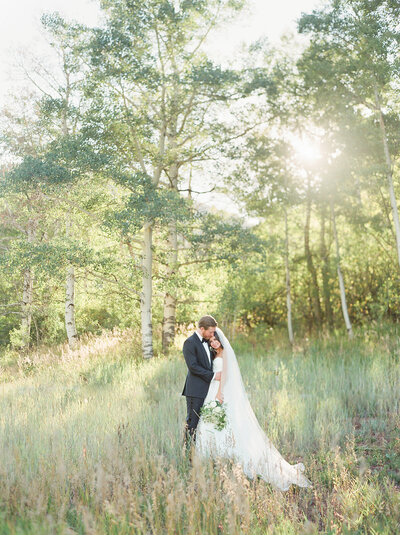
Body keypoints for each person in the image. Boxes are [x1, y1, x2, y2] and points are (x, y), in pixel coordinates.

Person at [195, 328, 312, 491]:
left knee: (229, 423)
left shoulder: (226, 354)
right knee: (211, 424)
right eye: (211, 341)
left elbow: (226, 375)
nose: (214, 343)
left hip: (222, 392)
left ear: (221, 340)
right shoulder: (213, 355)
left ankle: (236, 459)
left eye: (216, 340)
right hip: (212, 391)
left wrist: (220, 393)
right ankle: (215, 461)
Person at [182, 315, 222, 449]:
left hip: (209, 391)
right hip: (195, 391)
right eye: (210, 332)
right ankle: (188, 454)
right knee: (192, 423)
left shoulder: (207, 342)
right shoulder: (190, 343)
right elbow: (193, 366)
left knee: (205, 424)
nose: (212, 334)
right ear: (201, 328)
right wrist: (213, 376)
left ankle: (202, 452)